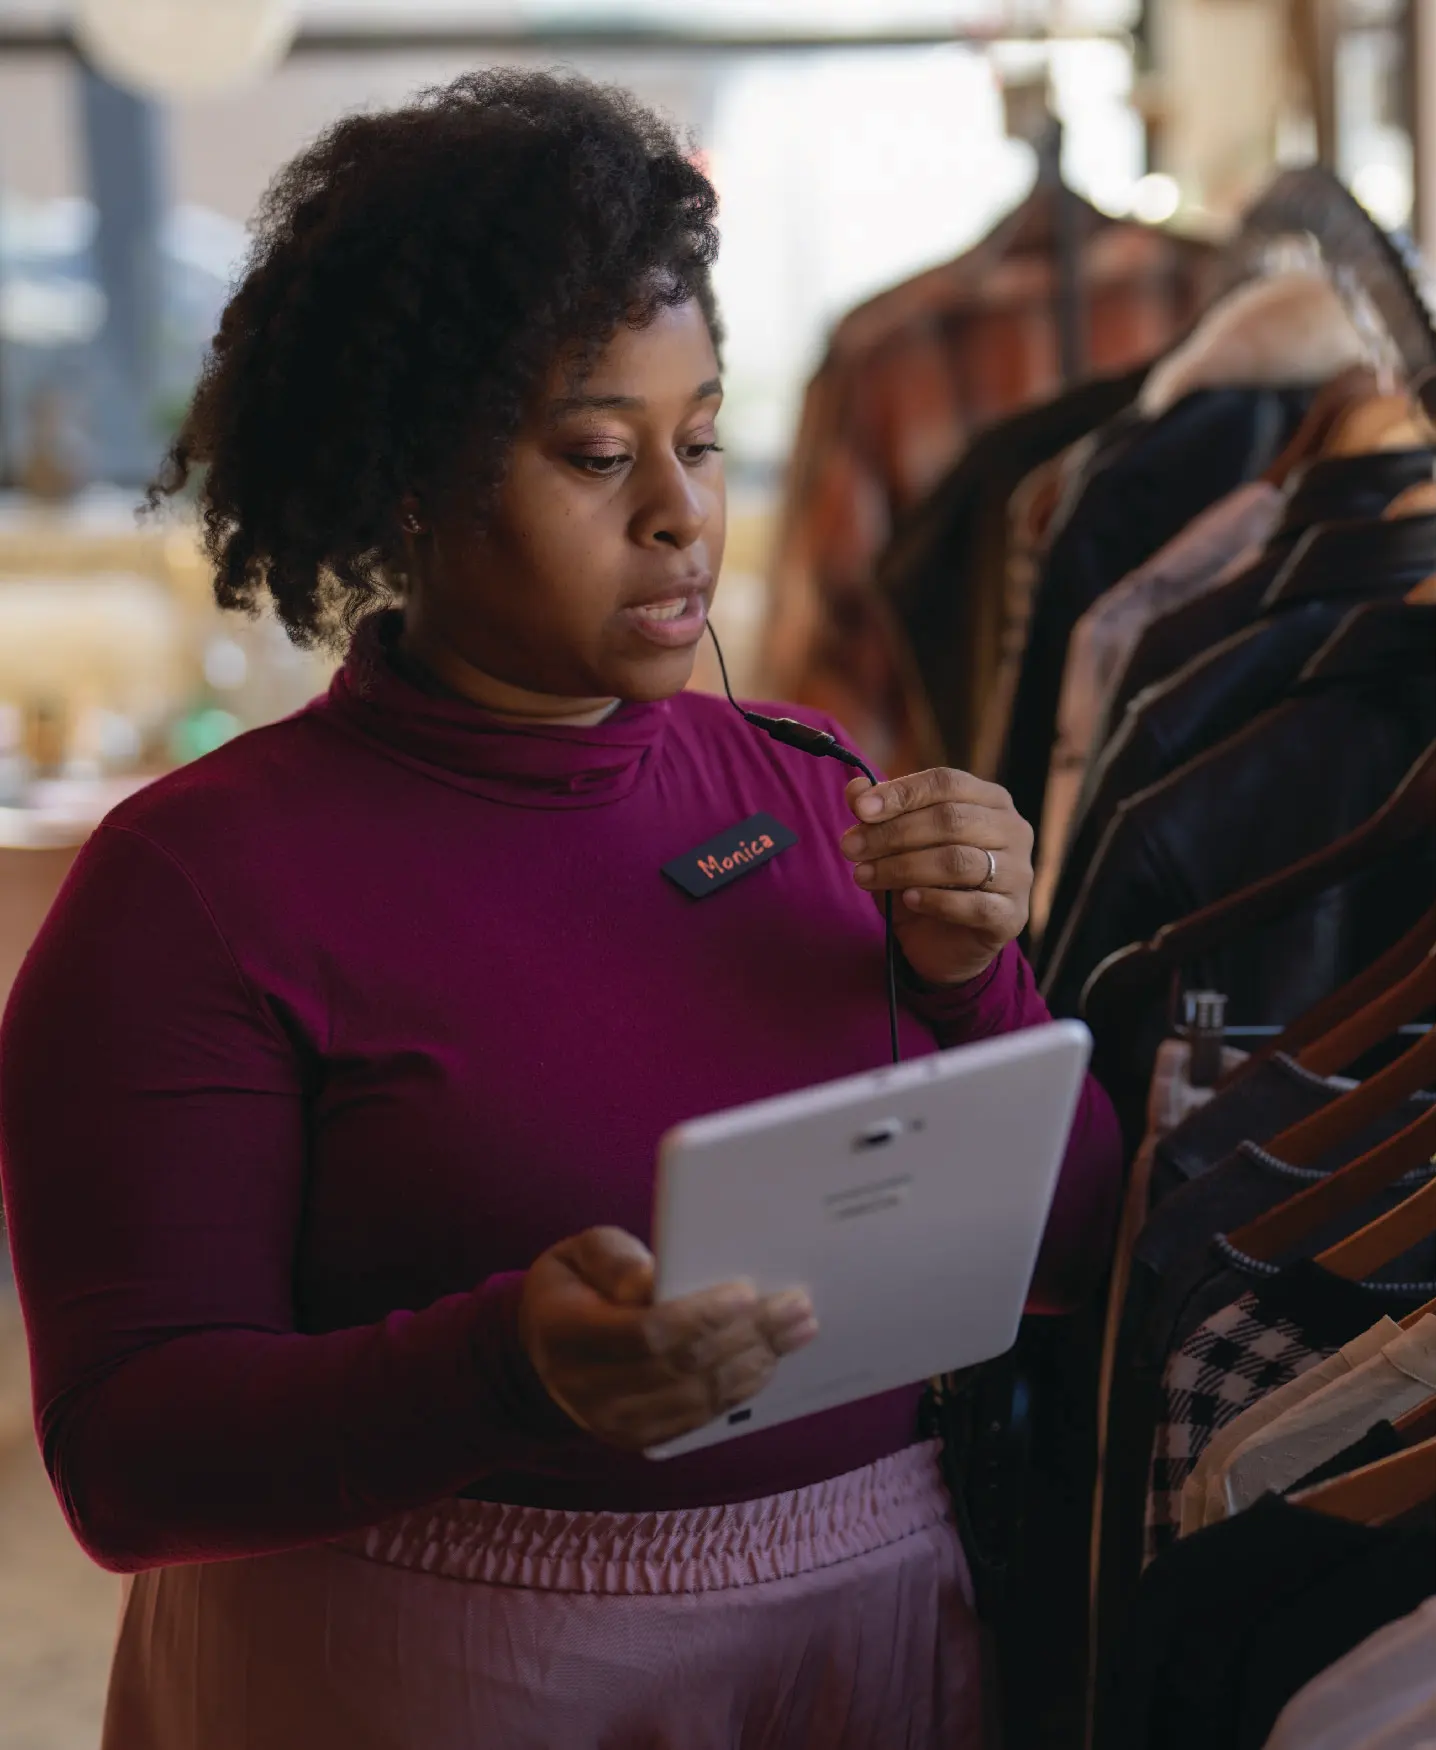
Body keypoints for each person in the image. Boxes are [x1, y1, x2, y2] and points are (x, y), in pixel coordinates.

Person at [0, 70, 1121, 1750]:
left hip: (871, 1646)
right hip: (424, 1682)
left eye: (701, 437)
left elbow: (1078, 1248)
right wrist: (503, 1372)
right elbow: (125, 1457)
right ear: (409, 481)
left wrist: (974, 985)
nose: (679, 510)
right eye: (598, 453)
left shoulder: (819, 792)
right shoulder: (196, 884)